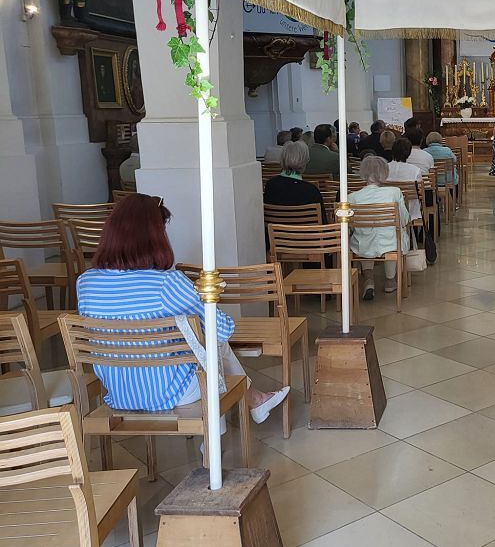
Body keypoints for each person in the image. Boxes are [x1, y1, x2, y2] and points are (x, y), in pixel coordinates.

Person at [75, 194, 289, 420]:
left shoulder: (85, 282)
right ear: (154, 237)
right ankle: (250, 404)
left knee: (203, 343)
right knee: (212, 344)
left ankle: (255, 400)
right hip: (170, 394)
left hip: (119, 394)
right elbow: (223, 329)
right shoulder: (167, 283)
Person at [350, 156, 411, 300]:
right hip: (391, 243)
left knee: (364, 237)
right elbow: (404, 220)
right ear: (384, 173)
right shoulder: (394, 192)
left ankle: (369, 281)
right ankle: (390, 280)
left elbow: (350, 226)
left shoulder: (352, 197)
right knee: (393, 235)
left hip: (363, 244)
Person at [263, 141, 326, 222]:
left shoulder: (270, 185)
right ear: (305, 162)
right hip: (306, 230)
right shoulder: (311, 191)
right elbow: (323, 223)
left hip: (276, 230)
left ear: (283, 159)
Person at [424, 131, 459, 202]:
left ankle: (436, 200)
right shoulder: (447, 150)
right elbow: (455, 160)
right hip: (448, 178)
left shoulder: (425, 151)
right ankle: (455, 201)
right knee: (455, 176)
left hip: (432, 180)